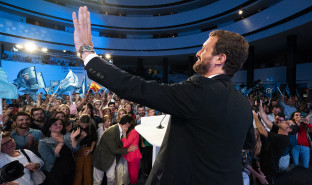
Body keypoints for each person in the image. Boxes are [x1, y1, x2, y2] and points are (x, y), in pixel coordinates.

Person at [73, 6, 255, 185]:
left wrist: (87, 54)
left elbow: (137, 88)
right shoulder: (243, 104)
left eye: (205, 49)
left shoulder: (201, 89)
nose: (198, 53)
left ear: (220, 58)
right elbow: (248, 144)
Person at [0, 117, 44, 185]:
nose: (9, 144)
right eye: (4, 144)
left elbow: (40, 162)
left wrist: (35, 165)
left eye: (10, 140)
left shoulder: (25, 152)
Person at [92, 114, 138, 185]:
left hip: (111, 157)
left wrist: (125, 134)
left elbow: (121, 145)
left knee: (111, 179)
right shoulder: (112, 132)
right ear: (126, 124)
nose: (130, 126)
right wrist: (128, 150)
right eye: (130, 124)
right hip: (101, 158)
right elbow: (114, 150)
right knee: (98, 181)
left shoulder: (122, 130)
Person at [38, 118, 80, 185]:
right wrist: (60, 144)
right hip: (54, 171)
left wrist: (73, 139)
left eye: (60, 124)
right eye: (55, 124)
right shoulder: (43, 142)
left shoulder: (67, 135)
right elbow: (50, 160)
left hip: (70, 168)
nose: (59, 125)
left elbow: (75, 149)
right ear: (49, 127)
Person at [73, 114, 97, 185]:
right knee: (78, 171)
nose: (84, 126)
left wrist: (91, 149)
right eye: (82, 125)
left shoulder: (91, 127)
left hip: (88, 149)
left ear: (89, 122)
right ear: (79, 122)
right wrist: (81, 137)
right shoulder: (76, 128)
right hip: (78, 149)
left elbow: (94, 139)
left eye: (86, 125)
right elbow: (74, 143)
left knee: (88, 171)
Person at [120, 115, 142, 185]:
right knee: (131, 176)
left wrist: (124, 133)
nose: (125, 125)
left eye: (127, 123)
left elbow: (125, 144)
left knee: (133, 177)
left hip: (134, 157)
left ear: (129, 123)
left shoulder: (134, 131)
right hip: (130, 156)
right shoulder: (130, 130)